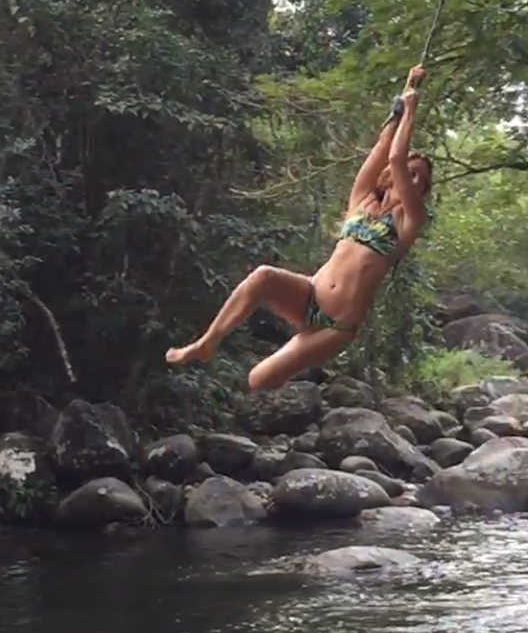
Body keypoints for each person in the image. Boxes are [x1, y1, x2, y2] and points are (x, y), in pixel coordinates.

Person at [166, 65, 433, 391]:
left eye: (421, 178)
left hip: (335, 325)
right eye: (412, 171)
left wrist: (411, 108)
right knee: (263, 275)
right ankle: (208, 342)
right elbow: (384, 149)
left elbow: (394, 158)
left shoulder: (411, 219)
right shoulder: (361, 200)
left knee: (258, 380)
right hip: (309, 295)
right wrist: (403, 96)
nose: (415, 179)